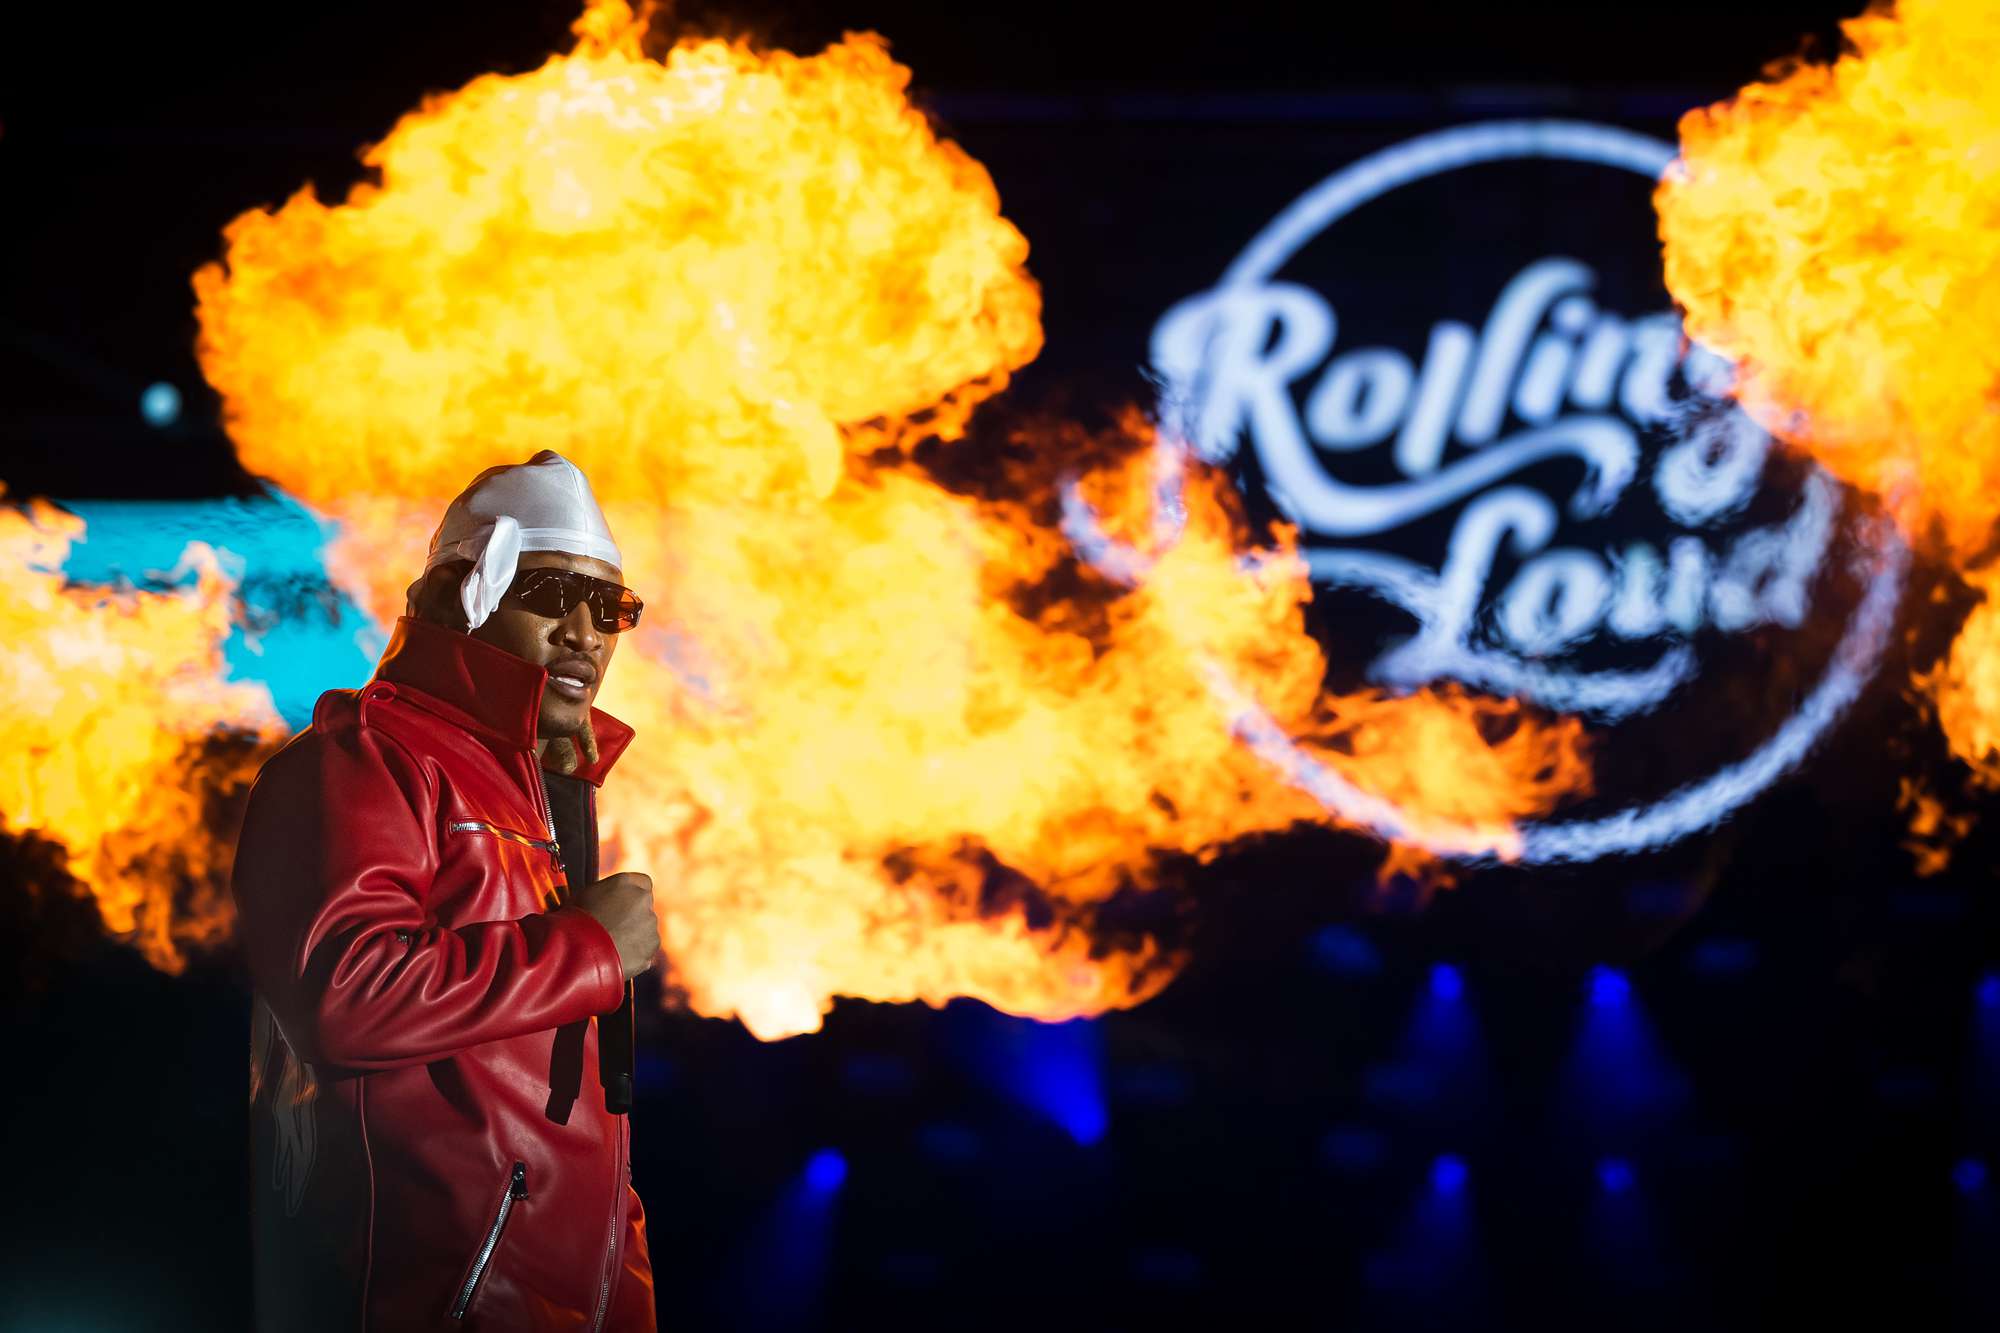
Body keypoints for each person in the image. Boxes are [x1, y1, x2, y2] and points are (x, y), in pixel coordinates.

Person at [233, 451, 662, 1330]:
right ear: (471, 591)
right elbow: (345, 994)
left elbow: (568, 1120)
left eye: (612, 606)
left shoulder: (551, 799)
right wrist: (590, 948)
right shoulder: (362, 761)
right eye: (548, 591)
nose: (586, 630)